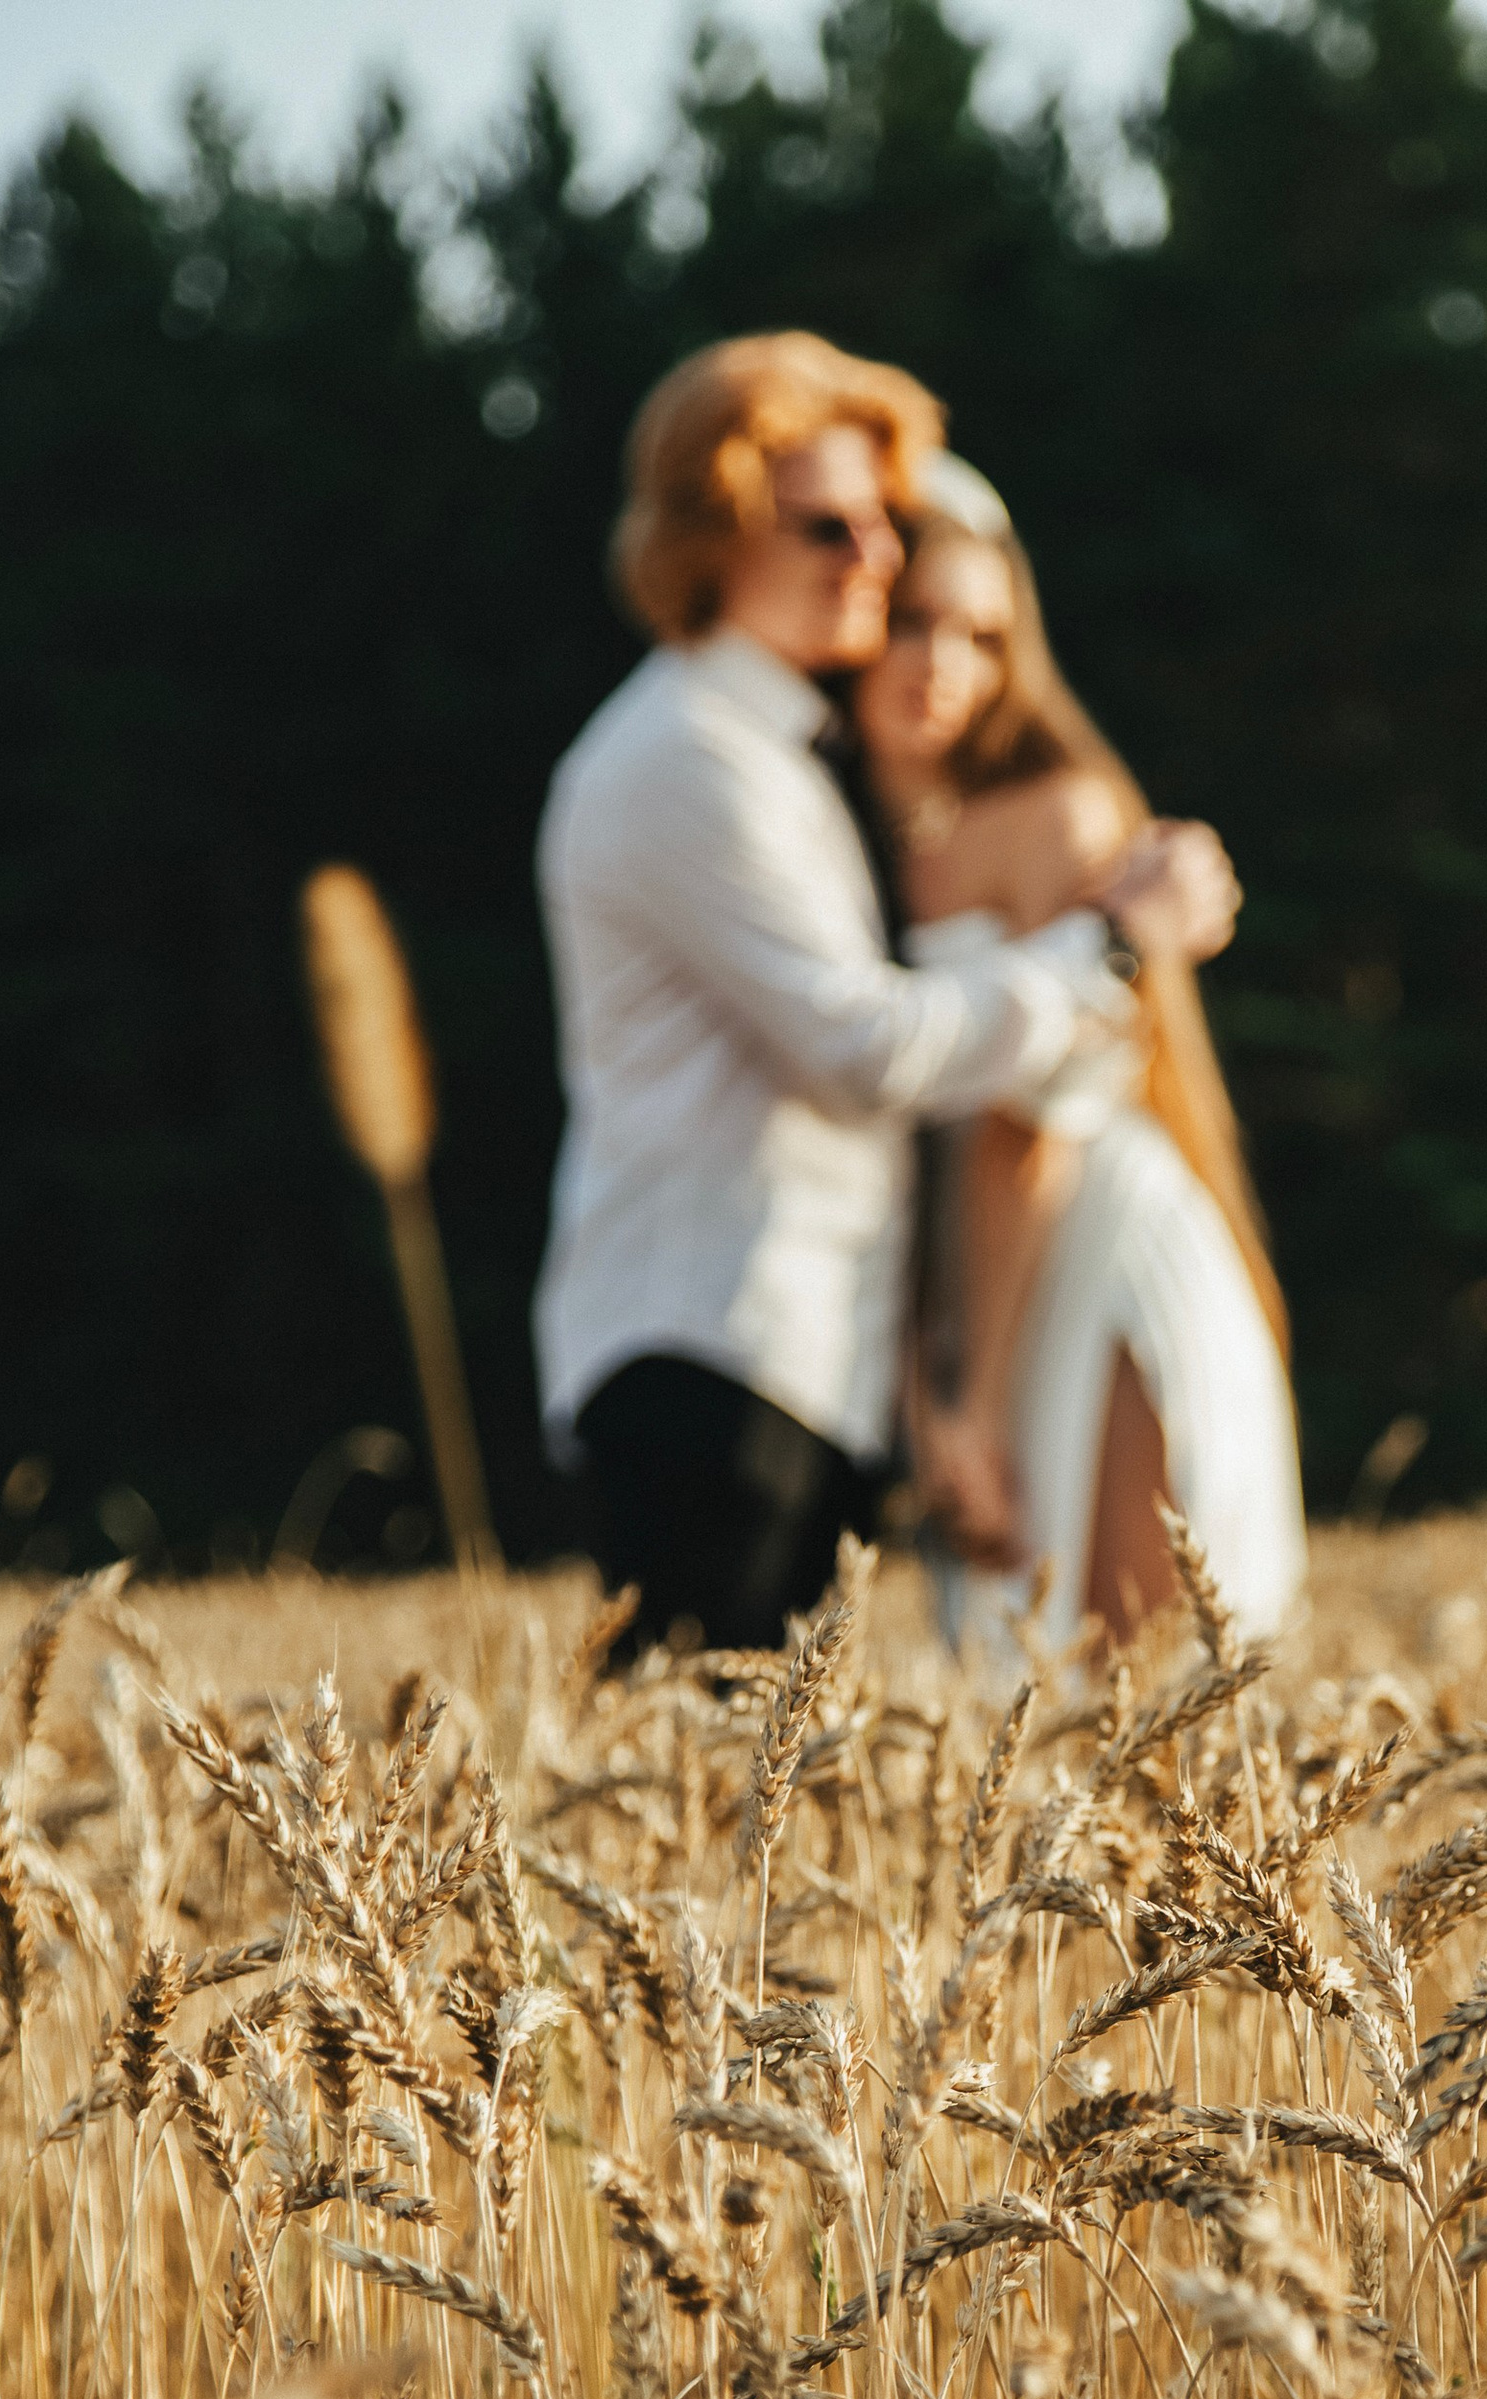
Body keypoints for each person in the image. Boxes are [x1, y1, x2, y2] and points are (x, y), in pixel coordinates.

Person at [531, 333, 1239, 1653]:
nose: (871, 556)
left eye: (876, 525)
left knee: (753, 1803)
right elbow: (861, 1050)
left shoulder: (779, 751)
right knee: (712, 1789)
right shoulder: (692, 758)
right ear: (712, 530)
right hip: (712, 1357)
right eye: (824, 528)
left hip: (787, 1364)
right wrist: (1117, 950)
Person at [853, 467, 1306, 1654]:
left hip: (1094, 1259)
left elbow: (1023, 1130)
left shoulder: (1058, 814)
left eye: (983, 634)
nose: (942, 661)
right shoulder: (849, 839)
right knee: (1035, 1718)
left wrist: (970, 1406)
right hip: (976, 1276)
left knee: (1138, 1683)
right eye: (913, 620)